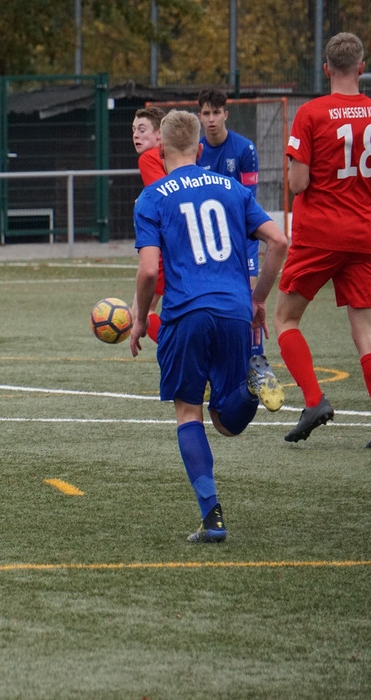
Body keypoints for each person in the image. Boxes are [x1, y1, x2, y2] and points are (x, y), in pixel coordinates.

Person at [130, 110, 288, 543]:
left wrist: (141, 319)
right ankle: (254, 381)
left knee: (189, 414)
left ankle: (212, 517)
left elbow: (147, 273)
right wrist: (258, 300)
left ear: (160, 151)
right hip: (236, 311)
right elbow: (279, 241)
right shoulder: (234, 190)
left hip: (186, 314)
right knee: (227, 420)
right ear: (201, 150)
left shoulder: (152, 197)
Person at [275, 31, 371, 445]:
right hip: (364, 233)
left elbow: (298, 184)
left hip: (319, 234)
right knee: (365, 329)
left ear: (327, 68)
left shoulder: (311, 113)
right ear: (362, 69)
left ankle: (314, 400)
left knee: (285, 318)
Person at [196, 88, 266, 360]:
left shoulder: (244, 149)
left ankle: (257, 362)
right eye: (206, 113)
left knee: (248, 302)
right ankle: (216, 365)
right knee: (210, 304)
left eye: (216, 112)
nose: (211, 118)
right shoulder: (197, 152)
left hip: (241, 238)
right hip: (207, 242)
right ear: (199, 116)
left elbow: (251, 201)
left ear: (226, 114)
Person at [131, 105, 167, 343]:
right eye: (133, 130)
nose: (136, 135)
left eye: (142, 129)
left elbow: (166, 196)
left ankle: (185, 358)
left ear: (159, 135)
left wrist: (145, 201)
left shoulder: (148, 158)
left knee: (141, 313)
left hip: (165, 247)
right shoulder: (173, 156)